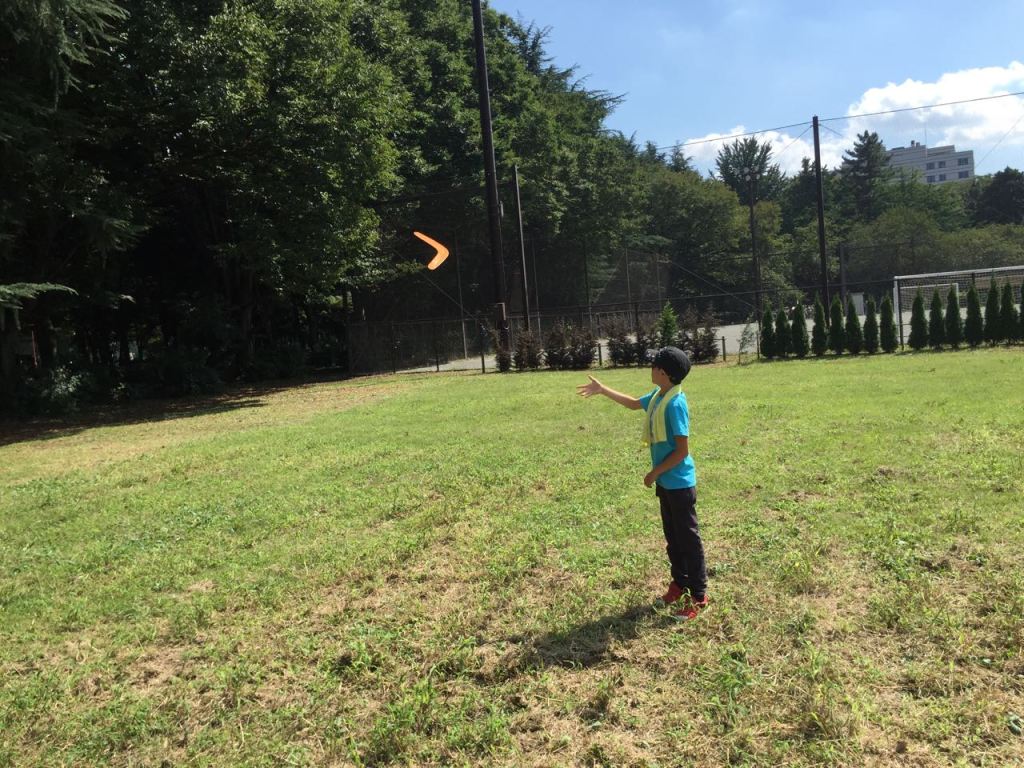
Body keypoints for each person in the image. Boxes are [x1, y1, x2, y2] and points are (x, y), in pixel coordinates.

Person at [576, 346, 707, 620]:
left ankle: (698, 595)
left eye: (653, 365)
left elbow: (682, 451)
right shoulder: (659, 396)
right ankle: (679, 584)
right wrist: (602, 389)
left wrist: (655, 472)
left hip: (680, 485)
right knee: (673, 539)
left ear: (663, 373)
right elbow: (634, 403)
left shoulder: (675, 404)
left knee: (688, 541)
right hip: (667, 485)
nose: (650, 369)